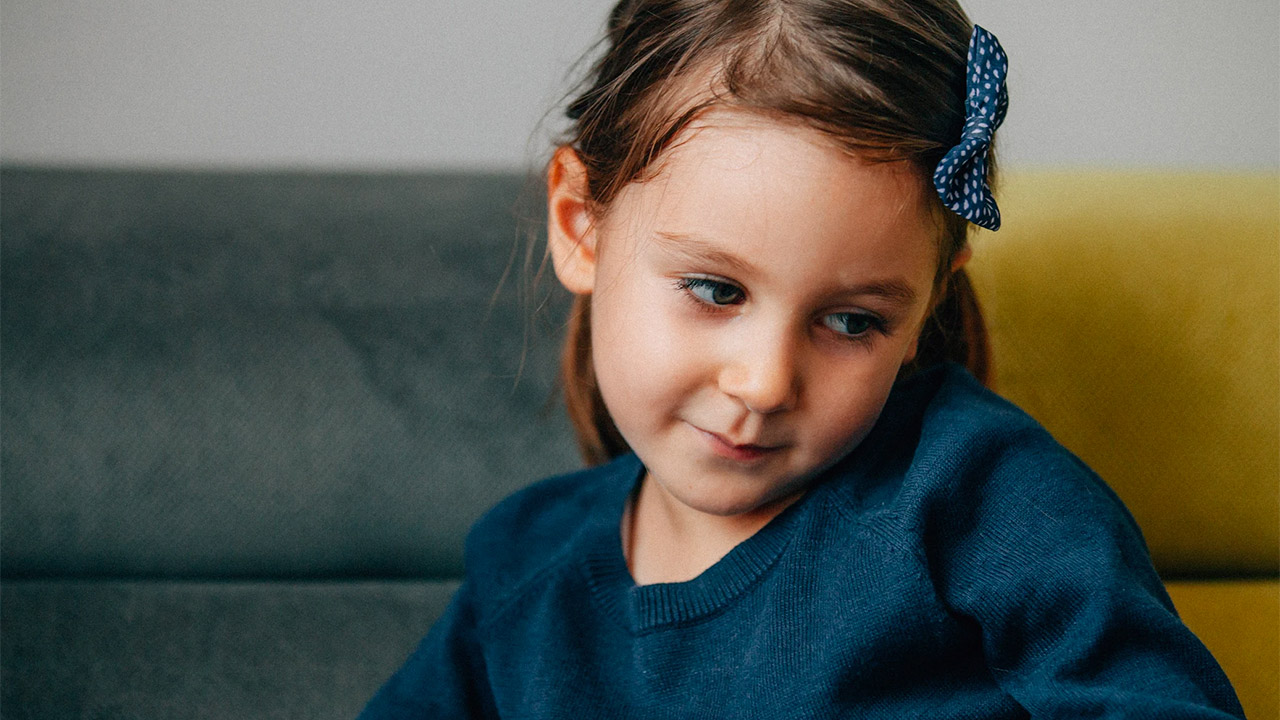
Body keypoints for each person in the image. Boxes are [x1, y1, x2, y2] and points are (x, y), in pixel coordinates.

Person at [360, 0, 1245, 716]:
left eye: (852, 322)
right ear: (580, 224)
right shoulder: (523, 566)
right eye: (715, 290)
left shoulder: (981, 498)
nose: (766, 383)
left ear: (932, 294)